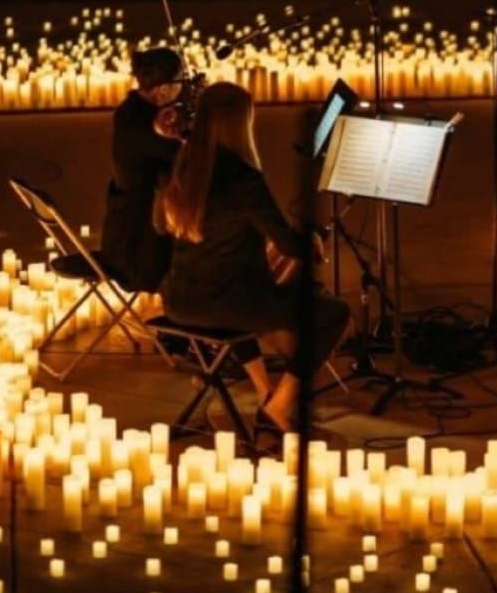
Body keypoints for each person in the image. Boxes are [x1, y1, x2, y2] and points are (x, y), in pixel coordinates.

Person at [156, 83, 351, 435]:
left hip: (179, 300)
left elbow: (173, 226)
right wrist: (311, 240)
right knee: (333, 313)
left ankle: (264, 390)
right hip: (229, 305)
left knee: (232, 291)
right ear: (240, 124)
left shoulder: (184, 164)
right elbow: (289, 245)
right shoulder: (243, 178)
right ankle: (280, 404)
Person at [100, 47, 184, 293]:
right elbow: (180, 154)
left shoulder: (134, 110)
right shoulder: (139, 121)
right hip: (138, 249)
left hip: (130, 231)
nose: (183, 87)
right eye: (181, 81)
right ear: (163, 89)